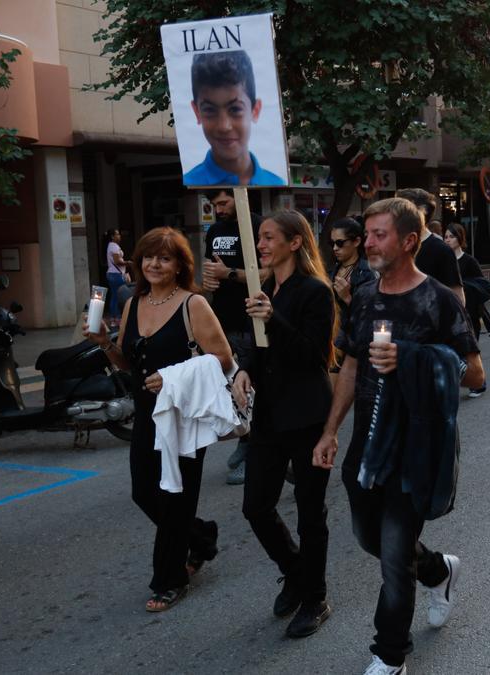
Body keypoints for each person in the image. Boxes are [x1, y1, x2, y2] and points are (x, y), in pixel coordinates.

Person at [312, 197, 485, 674]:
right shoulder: (363, 297)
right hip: (367, 445)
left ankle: (389, 656)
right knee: (370, 537)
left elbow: (474, 373)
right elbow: (349, 363)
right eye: (365, 234)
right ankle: (437, 569)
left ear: (409, 241)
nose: (366, 243)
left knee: (392, 554)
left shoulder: (439, 300)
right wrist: (330, 431)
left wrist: (412, 355)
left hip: (416, 445)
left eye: (378, 234)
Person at [87, 227, 233, 612]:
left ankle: (170, 580)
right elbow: (128, 363)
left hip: (184, 417)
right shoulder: (134, 304)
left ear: (179, 265)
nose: (154, 263)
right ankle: (200, 537)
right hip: (148, 415)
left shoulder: (193, 305)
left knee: (175, 499)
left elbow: (223, 358)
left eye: (165, 258)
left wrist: (172, 377)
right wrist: (105, 343)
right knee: (144, 493)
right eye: (149, 256)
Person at [232, 210, 337, 638]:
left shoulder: (314, 292)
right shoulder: (264, 289)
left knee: (311, 514)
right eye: (259, 237)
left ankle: (315, 598)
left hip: (308, 415)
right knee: (255, 505)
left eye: (269, 236)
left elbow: (313, 355)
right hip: (270, 417)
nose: (261, 243)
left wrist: (274, 317)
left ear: (295, 242)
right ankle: (295, 570)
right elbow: (260, 350)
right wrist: (243, 370)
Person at [202, 188, 268, 485]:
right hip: (222, 321)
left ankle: (254, 452)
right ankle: (247, 441)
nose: (218, 209)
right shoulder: (214, 230)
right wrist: (208, 280)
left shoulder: (257, 226)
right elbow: (209, 268)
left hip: (250, 319)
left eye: (223, 202)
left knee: (252, 389)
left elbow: (267, 272)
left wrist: (228, 274)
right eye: (214, 204)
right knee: (230, 390)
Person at [182, 50, 285, 186]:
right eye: (210, 110)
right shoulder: (190, 183)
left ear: (255, 110)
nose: (224, 126)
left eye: (235, 109)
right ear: (197, 112)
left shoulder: (277, 184)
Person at [395, 187, 466, 307]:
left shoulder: (441, 250)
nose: (395, 213)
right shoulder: (395, 246)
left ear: (421, 212)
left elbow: (458, 300)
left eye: (402, 208)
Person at [444, 223, 490, 398]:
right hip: (448, 313)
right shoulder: (444, 260)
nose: (448, 240)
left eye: (452, 236)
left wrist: (465, 289)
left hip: (469, 312)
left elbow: (483, 285)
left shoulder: (469, 261)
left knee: (470, 350)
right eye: (446, 236)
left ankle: (479, 382)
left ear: (460, 239)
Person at [329, 217, 376, 318]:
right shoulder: (331, 271)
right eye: (332, 243)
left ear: (356, 242)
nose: (335, 248)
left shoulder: (368, 273)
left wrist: (348, 298)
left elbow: (371, 314)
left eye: (340, 243)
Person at [105, 228, 130, 324]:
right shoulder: (114, 246)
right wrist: (128, 263)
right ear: (112, 237)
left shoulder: (110, 246)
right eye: (117, 234)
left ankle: (113, 319)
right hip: (116, 275)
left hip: (112, 274)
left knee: (114, 296)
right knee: (119, 296)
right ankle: (118, 318)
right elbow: (117, 261)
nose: (119, 236)